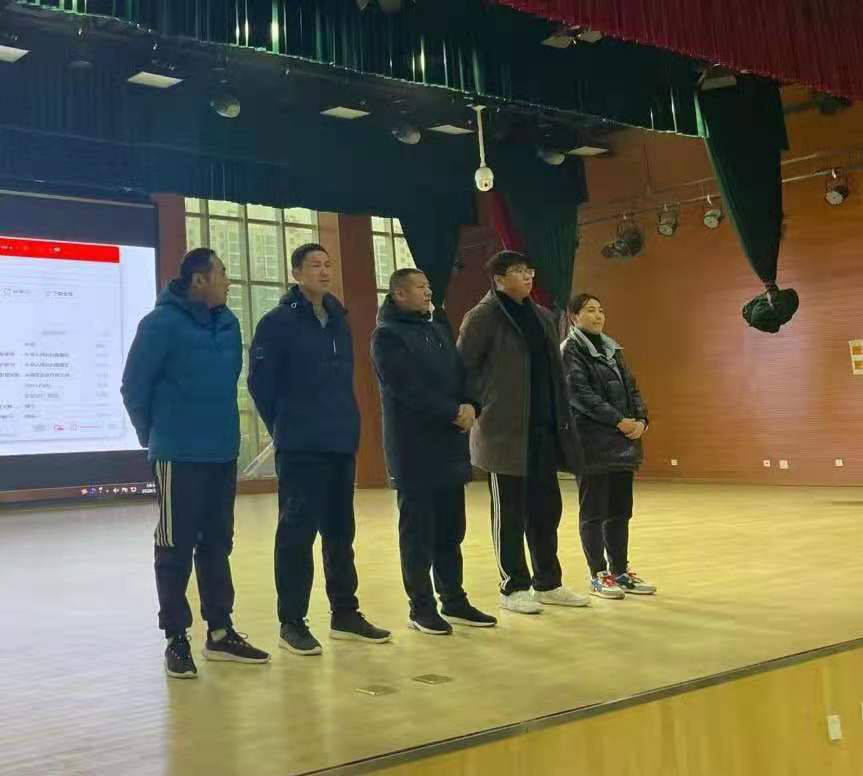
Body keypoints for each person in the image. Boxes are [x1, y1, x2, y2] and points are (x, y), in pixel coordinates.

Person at [121, 247, 270, 679]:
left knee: (217, 544)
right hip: (177, 454)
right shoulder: (159, 324)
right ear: (199, 280)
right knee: (174, 546)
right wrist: (154, 437)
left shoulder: (229, 324)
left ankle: (220, 632)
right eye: (221, 273)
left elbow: (227, 384)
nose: (228, 280)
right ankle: (176, 637)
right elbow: (134, 388)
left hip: (221, 453)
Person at [248, 243, 391, 656]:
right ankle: (291, 622)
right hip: (300, 444)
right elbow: (260, 384)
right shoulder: (277, 323)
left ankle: (345, 613)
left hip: (339, 440)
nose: (325, 271)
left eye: (328, 264)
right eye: (315, 265)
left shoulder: (338, 320)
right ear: (296, 273)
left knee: (340, 532)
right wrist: (285, 424)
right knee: (297, 533)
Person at [457, 250, 588, 615]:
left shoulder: (542, 315)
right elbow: (464, 367)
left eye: (529, 270)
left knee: (546, 510)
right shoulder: (482, 316)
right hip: (503, 431)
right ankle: (512, 586)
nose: (528, 276)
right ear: (499, 279)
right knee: (510, 513)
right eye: (518, 271)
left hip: (543, 428)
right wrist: (477, 405)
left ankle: (549, 582)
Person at [371, 269, 497, 635]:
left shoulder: (437, 327)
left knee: (450, 530)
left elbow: (463, 372)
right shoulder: (387, 336)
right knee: (418, 534)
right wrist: (451, 411)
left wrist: (471, 404)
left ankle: (453, 600)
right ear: (399, 294)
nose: (428, 292)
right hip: (414, 449)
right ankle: (421, 608)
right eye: (420, 287)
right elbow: (406, 388)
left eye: (429, 286)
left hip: (449, 445)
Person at [561, 293, 657, 599]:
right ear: (574, 316)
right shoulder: (570, 350)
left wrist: (641, 420)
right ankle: (598, 574)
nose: (598, 316)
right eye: (590, 310)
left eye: (601, 310)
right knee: (593, 512)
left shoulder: (613, 349)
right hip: (592, 444)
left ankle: (620, 571)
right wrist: (619, 421)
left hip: (622, 443)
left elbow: (633, 388)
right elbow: (580, 394)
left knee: (619, 511)